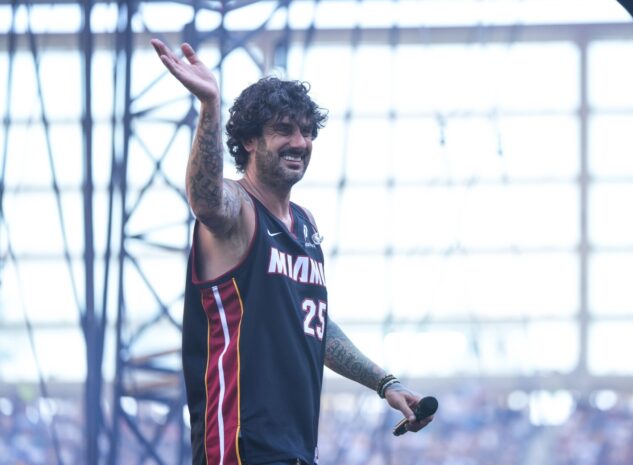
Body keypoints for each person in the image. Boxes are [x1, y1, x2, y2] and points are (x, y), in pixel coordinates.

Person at [150, 39, 434, 465]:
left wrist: (384, 383)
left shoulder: (306, 225)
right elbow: (205, 201)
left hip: (297, 449)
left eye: (307, 131)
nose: (300, 142)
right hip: (239, 447)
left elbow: (314, 323)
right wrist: (209, 106)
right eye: (284, 130)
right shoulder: (238, 209)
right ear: (249, 140)